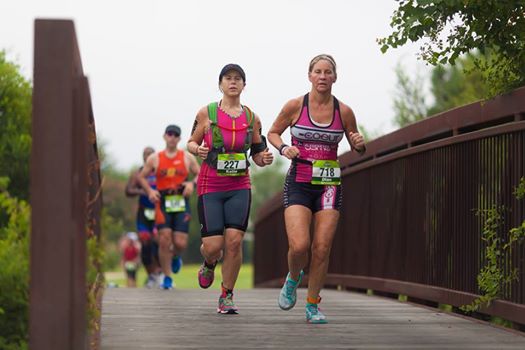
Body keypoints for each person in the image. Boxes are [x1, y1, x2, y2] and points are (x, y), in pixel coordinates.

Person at [267, 54, 366, 324]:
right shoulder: (295, 106)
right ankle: (293, 277)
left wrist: (358, 143)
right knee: (300, 246)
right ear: (310, 76)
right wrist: (284, 147)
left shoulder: (343, 111)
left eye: (328, 72)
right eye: (318, 71)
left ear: (335, 77)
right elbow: (273, 133)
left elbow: (358, 145)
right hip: (299, 181)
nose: (322, 76)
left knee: (322, 247)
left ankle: (312, 305)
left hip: (328, 185)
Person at [187, 63, 273, 314]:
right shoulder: (207, 113)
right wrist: (198, 149)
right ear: (220, 84)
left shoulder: (251, 118)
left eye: (238, 79)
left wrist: (263, 159)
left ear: (244, 85)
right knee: (214, 246)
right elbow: (191, 142)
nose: (233, 82)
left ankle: (227, 295)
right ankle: (209, 261)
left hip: (239, 186)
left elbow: (257, 152)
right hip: (210, 185)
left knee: (234, 242)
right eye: (228, 78)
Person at [138, 124, 200, 290]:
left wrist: (191, 184)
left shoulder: (186, 157)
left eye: (176, 135)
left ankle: (176, 257)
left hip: (181, 201)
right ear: (164, 136)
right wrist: (150, 191)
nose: (172, 137)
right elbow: (142, 177)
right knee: (164, 239)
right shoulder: (155, 158)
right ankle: (167, 278)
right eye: (169, 134)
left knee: (180, 242)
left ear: (179, 139)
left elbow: (199, 173)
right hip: (163, 202)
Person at [125, 146, 162, 288]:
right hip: (144, 213)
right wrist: (144, 191)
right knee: (145, 242)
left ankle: (161, 272)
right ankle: (151, 275)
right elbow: (128, 190)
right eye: (145, 154)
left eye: (150, 154)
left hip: (159, 211)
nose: (147, 157)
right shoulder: (138, 174)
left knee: (158, 241)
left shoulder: (160, 171)